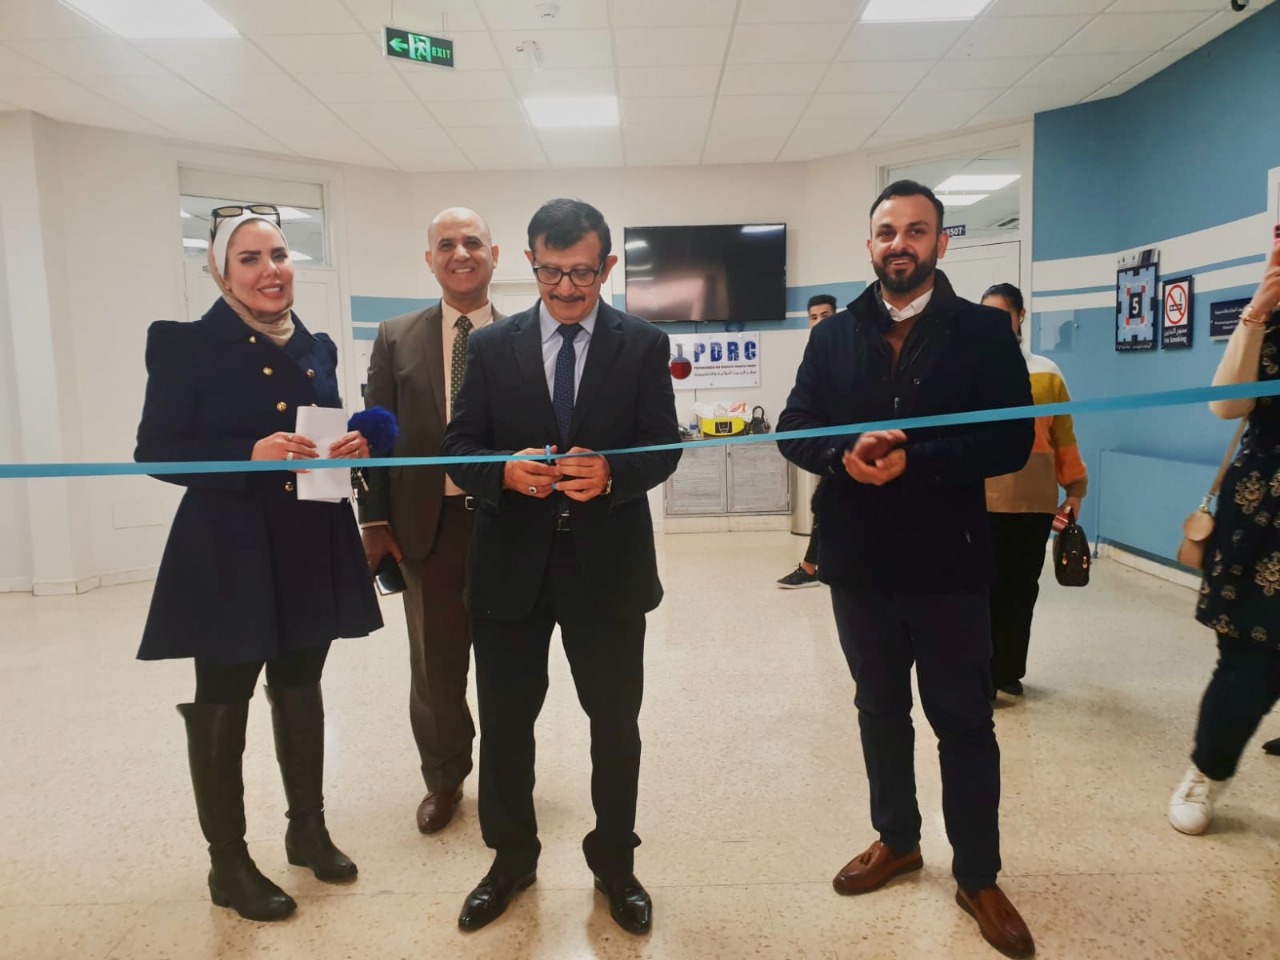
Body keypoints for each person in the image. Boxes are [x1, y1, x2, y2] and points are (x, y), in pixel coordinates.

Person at [777, 180, 1036, 958]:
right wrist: (843, 455)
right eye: (887, 231)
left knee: (964, 721)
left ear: (940, 243)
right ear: (870, 245)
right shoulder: (834, 336)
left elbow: (1009, 441)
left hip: (950, 563)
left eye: (916, 230)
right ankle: (897, 840)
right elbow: (794, 428)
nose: (900, 243)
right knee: (879, 709)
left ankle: (978, 875)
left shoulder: (983, 333)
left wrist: (913, 461)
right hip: (858, 564)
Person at [135, 204, 382, 921]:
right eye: (250, 258)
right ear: (221, 272)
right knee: (225, 693)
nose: (271, 270)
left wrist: (351, 445)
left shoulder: (317, 346)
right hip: (229, 547)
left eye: (279, 255)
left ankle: (308, 830)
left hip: (309, 537)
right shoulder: (184, 344)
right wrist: (248, 455)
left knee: (300, 681)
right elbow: (157, 450)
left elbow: (319, 426)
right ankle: (229, 863)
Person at [441, 198, 681, 935]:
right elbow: (458, 449)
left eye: (582, 272)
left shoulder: (642, 345)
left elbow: (663, 446)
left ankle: (616, 863)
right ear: (529, 263)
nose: (567, 288)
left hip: (609, 569)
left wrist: (614, 473)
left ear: (607, 267)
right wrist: (501, 472)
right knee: (506, 725)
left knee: (615, 724)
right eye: (551, 272)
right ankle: (510, 858)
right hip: (509, 567)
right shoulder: (491, 347)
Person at [360, 207, 505, 834]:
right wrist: (373, 521)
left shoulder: (525, 334)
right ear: (430, 260)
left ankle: (506, 778)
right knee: (436, 668)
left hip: (507, 526)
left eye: (472, 241)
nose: (460, 253)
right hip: (428, 529)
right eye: (446, 244)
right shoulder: (395, 337)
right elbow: (374, 436)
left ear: (495, 255)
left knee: (508, 664)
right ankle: (444, 779)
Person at [1169, 234, 1280, 835]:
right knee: (1248, 659)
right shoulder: (1269, 316)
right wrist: (1258, 311)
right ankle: (1206, 773)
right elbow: (1228, 405)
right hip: (1265, 508)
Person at [982, 282, 1088, 697]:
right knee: (983, 593)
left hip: (1034, 503)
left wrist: (1074, 490)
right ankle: (982, 677)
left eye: (1002, 315)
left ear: (1021, 316)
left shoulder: (1047, 372)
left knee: (1022, 590)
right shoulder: (970, 369)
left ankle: (1009, 672)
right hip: (980, 501)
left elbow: (1064, 438)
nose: (994, 323)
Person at [777, 293, 838, 589]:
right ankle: (812, 566)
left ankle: (811, 567)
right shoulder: (814, 356)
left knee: (824, 504)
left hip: (851, 444)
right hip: (828, 447)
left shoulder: (849, 348)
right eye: (813, 317)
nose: (818, 322)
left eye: (825, 316)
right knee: (823, 504)